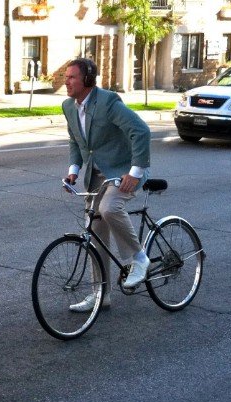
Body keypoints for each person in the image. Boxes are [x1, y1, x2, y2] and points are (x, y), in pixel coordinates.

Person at [62, 58, 151, 312]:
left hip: (124, 171)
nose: (66, 82)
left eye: (72, 77)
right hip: (97, 175)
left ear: (88, 80)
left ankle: (139, 258)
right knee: (96, 232)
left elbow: (140, 131)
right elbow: (76, 141)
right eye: (66, 77)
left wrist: (135, 172)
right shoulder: (69, 106)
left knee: (110, 208)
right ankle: (101, 294)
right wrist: (73, 170)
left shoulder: (109, 102)